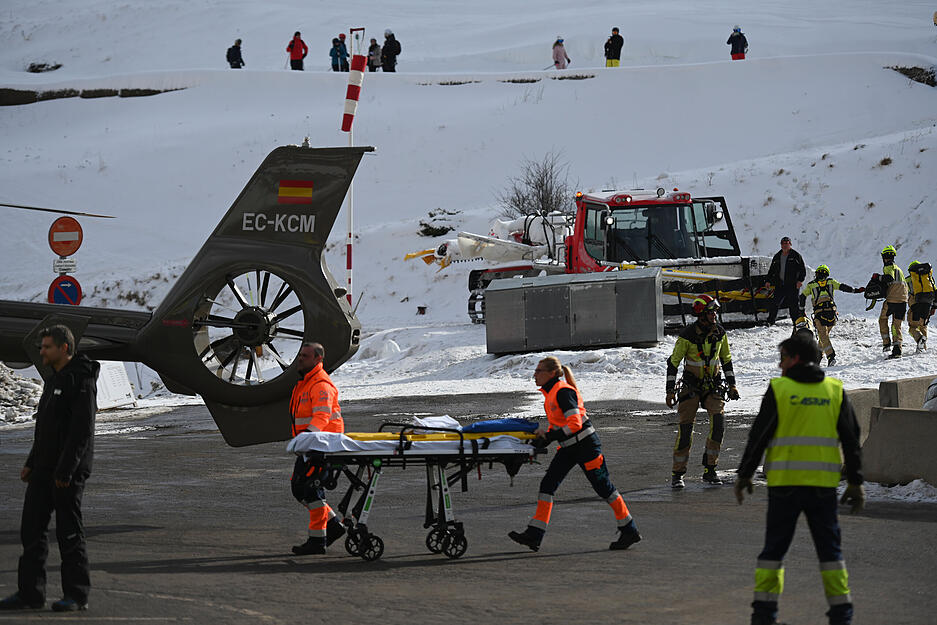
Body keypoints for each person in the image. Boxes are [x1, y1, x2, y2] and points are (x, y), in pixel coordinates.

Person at [734, 332, 864, 625]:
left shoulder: (780, 390)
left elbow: (759, 436)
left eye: (782, 358)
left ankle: (764, 616)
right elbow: (852, 440)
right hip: (823, 489)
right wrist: (856, 481)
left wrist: (745, 474)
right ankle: (841, 616)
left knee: (774, 551)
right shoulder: (834, 390)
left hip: (785, 488)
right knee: (830, 553)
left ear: (795, 359)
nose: (780, 366)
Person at [0, 325, 99, 613]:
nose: (41, 351)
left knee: (69, 534)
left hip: (67, 473)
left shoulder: (80, 380)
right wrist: (31, 463)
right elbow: (45, 429)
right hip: (43, 470)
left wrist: (66, 471)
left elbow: (81, 432)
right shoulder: (54, 378)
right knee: (31, 531)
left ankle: (76, 595)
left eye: (46, 347)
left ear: (63, 348)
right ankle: (30, 593)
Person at [508, 357, 642, 552]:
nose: (534, 375)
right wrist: (541, 441)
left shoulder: (563, 392)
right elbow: (558, 425)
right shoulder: (551, 393)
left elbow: (575, 424)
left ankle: (629, 529)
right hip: (569, 448)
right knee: (547, 485)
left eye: (539, 371)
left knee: (604, 487)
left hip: (586, 447)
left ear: (552, 373)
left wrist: (551, 435)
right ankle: (534, 535)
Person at [666, 294, 738, 488]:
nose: (715, 315)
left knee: (719, 424)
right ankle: (678, 473)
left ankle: (710, 470)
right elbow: (673, 363)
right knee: (686, 429)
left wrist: (732, 385)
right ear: (701, 314)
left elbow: (726, 360)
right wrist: (670, 391)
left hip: (713, 386)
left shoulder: (720, 334)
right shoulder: (686, 336)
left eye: (715, 311)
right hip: (690, 387)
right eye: (711, 311)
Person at [288, 342, 347, 555]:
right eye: (300, 355)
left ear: (317, 359)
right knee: (299, 489)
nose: (300, 358)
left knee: (311, 490)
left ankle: (317, 541)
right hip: (309, 446)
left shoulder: (321, 384)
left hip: (321, 446)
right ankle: (332, 526)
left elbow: (322, 416)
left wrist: (305, 437)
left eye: (305, 355)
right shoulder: (304, 383)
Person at [798, 264, 865, 367]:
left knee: (823, 336)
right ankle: (817, 358)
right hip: (831, 315)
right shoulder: (831, 282)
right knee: (823, 337)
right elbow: (843, 287)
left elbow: (802, 297)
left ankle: (831, 357)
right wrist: (856, 290)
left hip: (819, 314)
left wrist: (802, 311)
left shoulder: (812, 285)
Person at [765, 236, 806, 326]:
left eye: (786, 244)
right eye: (783, 244)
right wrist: (768, 281)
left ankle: (796, 322)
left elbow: (802, 269)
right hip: (780, 284)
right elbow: (771, 270)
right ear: (781, 245)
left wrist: (800, 280)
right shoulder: (777, 256)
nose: (785, 246)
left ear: (790, 244)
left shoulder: (795, 256)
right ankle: (770, 321)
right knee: (775, 303)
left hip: (792, 285)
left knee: (793, 304)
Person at [876, 245, 908, 358]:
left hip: (892, 300)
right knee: (896, 325)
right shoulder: (899, 269)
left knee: (882, 319)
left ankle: (886, 343)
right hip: (903, 300)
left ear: (884, 257)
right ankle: (897, 348)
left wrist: (878, 278)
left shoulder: (888, 267)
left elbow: (889, 278)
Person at [905, 260, 935, 352]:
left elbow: (904, 292)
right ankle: (923, 348)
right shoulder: (927, 278)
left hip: (915, 303)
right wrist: (933, 307)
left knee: (912, 327)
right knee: (923, 326)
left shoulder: (908, 279)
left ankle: (919, 339)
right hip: (928, 303)